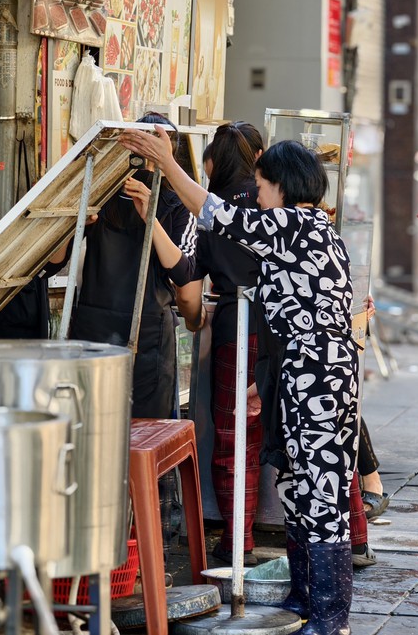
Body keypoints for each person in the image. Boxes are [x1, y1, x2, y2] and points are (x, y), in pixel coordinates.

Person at [120, 130, 360, 634]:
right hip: (304, 373)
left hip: (317, 377)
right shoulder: (311, 228)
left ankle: (330, 616)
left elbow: (217, 215)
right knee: (299, 487)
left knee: (319, 492)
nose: (256, 194)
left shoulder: (296, 224)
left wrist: (167, 163)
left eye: (261, 185)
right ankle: (304, 597)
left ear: (281, 186)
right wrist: (264, 384)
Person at [177, 121, 266, 567]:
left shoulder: (210, 212)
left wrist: (194, 320)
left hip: (235, 328)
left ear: (214, 162)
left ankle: (237, 543)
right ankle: (351, 538)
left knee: (234, 440)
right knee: (305, 435)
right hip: (281, 328)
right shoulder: (272, 199)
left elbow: (191, 289)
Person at [69, 112, 198, 418]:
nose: (147, 167)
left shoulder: (178, 204)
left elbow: (182, 272)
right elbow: (57, 259)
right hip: (95, 329)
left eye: (155, 157)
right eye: (142, 155)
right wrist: (73, 223)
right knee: (90, 425)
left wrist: (150, 215)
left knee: (145, 436)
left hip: (148, 334)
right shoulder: (102, 194)